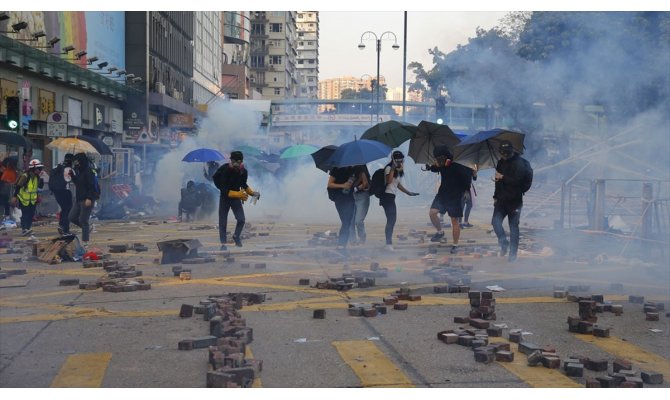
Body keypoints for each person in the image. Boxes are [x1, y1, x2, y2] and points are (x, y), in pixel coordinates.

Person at [425, 145, 473, 254]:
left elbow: (467, 178)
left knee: (454, 220)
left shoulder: (458, 165)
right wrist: (429, 167)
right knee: (432, 213)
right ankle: (440, 232)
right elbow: (435, 168)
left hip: (455, 196)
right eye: (436, 158)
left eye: (439, 158)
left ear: (446, 156)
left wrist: (466, 191)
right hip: (442, 194)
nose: (438, 160)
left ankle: (455, 245)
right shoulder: (441, 165)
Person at [491, 140, 533, 262]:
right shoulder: (500, 163)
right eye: (501, 154)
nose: (503, 156)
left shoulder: (520, 163)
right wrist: (495, 196)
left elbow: (517, 182)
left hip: (515, 200)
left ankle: (513, 254)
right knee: (495, 222)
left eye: (505, 154)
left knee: (513, 226)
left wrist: (503, 177)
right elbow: (498, 182)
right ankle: (504, 242)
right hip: (501, 199)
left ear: (510, 152)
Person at [212, 151, 260, 250]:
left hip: (235, 199)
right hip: (225, 197)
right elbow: (223, 187)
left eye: (240, 161)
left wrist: (252, 193)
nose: (237, 164)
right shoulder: (225, 169)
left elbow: (243, 184)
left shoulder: (243, 172)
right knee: (223, 221)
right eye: (235, 161)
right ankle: (223, 243)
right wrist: (237, 194)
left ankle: (236, 236)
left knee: (241, 219)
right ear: (231, 160)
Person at [380, 151, 419, 251]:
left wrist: (408, 193)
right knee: (391, 220)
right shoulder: (389, 168)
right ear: (394, 160)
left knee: (392, 220)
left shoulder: (398, 170)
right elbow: (388, 181)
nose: (400, 163)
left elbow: (397, 184)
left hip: (392, 196)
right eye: (398, 161)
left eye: (401, 161)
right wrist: (393, 167)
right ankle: (388, 244)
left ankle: (388, 243)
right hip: (386, 196)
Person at [69, 153, 97, 247]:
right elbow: (78, 183)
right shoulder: (79, 171)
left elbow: (92, 186)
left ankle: (85, 242)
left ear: (81, 161)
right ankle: (87, 229)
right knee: (72, 217)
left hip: (86, 199)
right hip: (79, 199)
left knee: (83, 220)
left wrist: (89, 198)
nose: (76, 163)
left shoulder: (88, 171)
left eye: (77, 161)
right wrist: (72, 176)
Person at [327, 165, 356, 254]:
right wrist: (342, 185)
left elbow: (353, 183)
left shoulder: (353, 170)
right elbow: (330, 184)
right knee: (346, 222)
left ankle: (343, 246)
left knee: (348, 222)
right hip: (340, 198)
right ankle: (341, 246)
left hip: (350, 198)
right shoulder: (336, 168)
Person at [12, 159, 45, 236]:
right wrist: (14, 197)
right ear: (34, 168)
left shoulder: (37, 177)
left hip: (32, 200)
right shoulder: (25, 176)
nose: (40, 170)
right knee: (25, 214)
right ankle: (24, 229)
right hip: (24, 199)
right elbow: (18, 186)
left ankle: (28, 228)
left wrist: (38, 196)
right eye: (39, 169)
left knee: (31, 214)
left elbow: (37, 188)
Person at [51, 153, 74, 234]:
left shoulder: (57, 166)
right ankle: (65, 228)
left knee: (64, 209)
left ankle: (61, 225)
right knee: (67, 210)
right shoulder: (68, 169)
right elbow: (70, 179)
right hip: (65, 191)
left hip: (56, 191)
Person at [348, 164, 371, 245]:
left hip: (362, 197)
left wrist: (355, 188)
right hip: (351, 197)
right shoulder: (347, 168)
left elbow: (365, 183)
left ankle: (362, 237)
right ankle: (352, 240)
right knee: (350, 220)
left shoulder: (361, 167)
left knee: (358, 220)